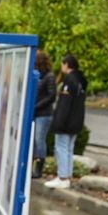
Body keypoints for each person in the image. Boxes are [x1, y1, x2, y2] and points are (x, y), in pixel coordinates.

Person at [47, 54, 87, 189]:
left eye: (63, 64)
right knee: (69, 149)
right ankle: (67, 175)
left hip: (66, 122)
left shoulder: (69, 81)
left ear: (66, 64)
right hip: (76, 121)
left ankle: (62, 177)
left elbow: (64, 104)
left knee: (62, 148)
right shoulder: (81, 80)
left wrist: (58, 122)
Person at [32, 52, 57, 179]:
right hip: (36, 113)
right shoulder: (37, 76)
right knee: (34, 141)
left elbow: (51, 96)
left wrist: (36, 106)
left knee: (39, 139)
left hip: (44, 114)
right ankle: (32, 165)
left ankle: (38, 168)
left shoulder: (49, 76)